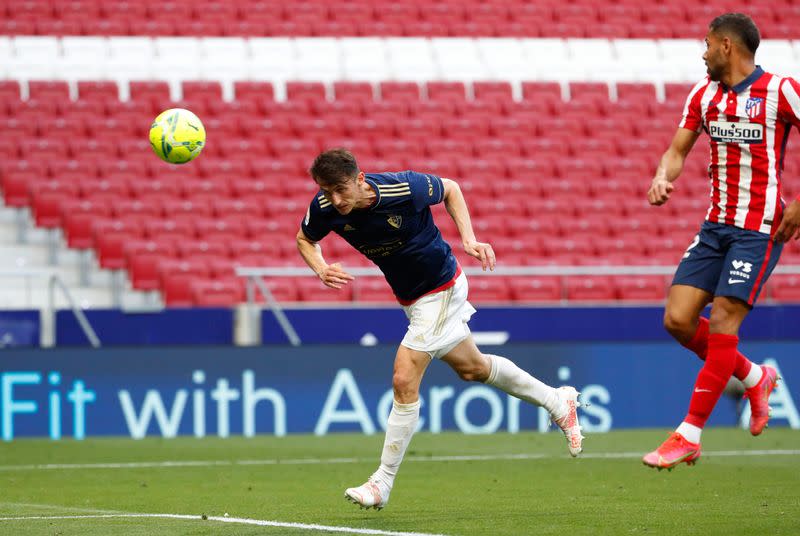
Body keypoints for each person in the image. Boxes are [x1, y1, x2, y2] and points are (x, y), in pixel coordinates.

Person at [296, 148, 584, 509]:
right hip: (414, 300)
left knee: (404, 377)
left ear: (360, 179)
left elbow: (450, 189)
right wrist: (320, 268)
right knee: (473, 368)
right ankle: (558, 400)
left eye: (341, 189)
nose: (335, 200)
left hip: (442, 286)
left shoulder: (402, 188)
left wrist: (468, 238)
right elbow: (305, 239)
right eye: (326, 191)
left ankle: (381, 483)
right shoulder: (324, 208)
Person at [644, 13, 800, 470]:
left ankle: (688, 434)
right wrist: (661, 177)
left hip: (758, 229)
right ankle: (754, 376)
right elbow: (677, 150)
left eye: (708, 44)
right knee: (677, 320)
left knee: (726, 321)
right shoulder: (703, 94)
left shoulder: (780, 90)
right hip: (715, 227)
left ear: (728, 46)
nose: (703, 52)